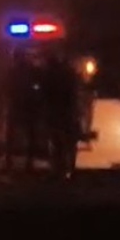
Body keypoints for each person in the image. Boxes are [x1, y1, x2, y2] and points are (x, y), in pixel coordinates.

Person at [42, 49, 81, 179]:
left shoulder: (48, 75)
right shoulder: (68, 73)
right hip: (67, 112)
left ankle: (57, 168)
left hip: (55, 112)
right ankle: (70, 168)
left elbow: (44, 94)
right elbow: (74, 93)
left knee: (56, 141)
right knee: (68, 142)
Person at [4, 48, 42, 173]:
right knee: (29, 133)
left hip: (17, 105)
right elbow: (37, 85)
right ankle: (28, 161)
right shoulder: (31, 70)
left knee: (11, 134)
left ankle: (10, 159)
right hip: (27, 106)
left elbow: (6, 87)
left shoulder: (12, 71)